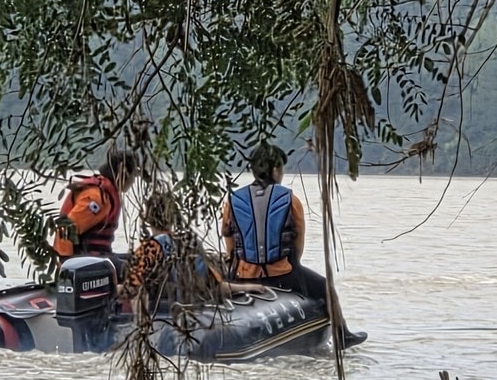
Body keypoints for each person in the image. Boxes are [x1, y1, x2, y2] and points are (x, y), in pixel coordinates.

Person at [219, 143, 367, 348]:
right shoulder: (290, 199)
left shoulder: (232, 200)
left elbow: (229, 241)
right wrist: (291, 266)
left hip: (243, 275)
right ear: (275, 170)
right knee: (326, 287)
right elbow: (298, 245)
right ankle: (342, 335)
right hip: (284, 275)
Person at [123, 190, 212, 313]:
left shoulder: (150, 248)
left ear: (147, 218)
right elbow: (214, 284)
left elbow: (132, 289)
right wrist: (247, 287)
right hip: (195, 310)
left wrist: (112, 289)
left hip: (164, 313)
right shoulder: (192, 243)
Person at [53, 146, 139, 262]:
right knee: (128, 265)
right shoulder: (97, 199)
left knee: (135, 260)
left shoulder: (108, 195)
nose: (133, 180)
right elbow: (66, 229)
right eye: (133, 175)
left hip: (98, 258)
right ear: (123, 171)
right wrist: (65, 263)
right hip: (83, 262)